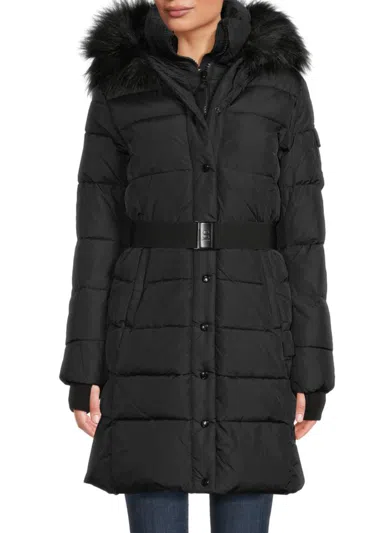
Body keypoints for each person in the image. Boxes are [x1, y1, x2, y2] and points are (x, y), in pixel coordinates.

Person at [59, 0, 335, 531]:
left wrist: (313, 368)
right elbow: (96, 237)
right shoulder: (121, 84)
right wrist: (84, 366)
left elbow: (304, 240)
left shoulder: (279, 85)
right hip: (147, 343)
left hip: (253, 340)